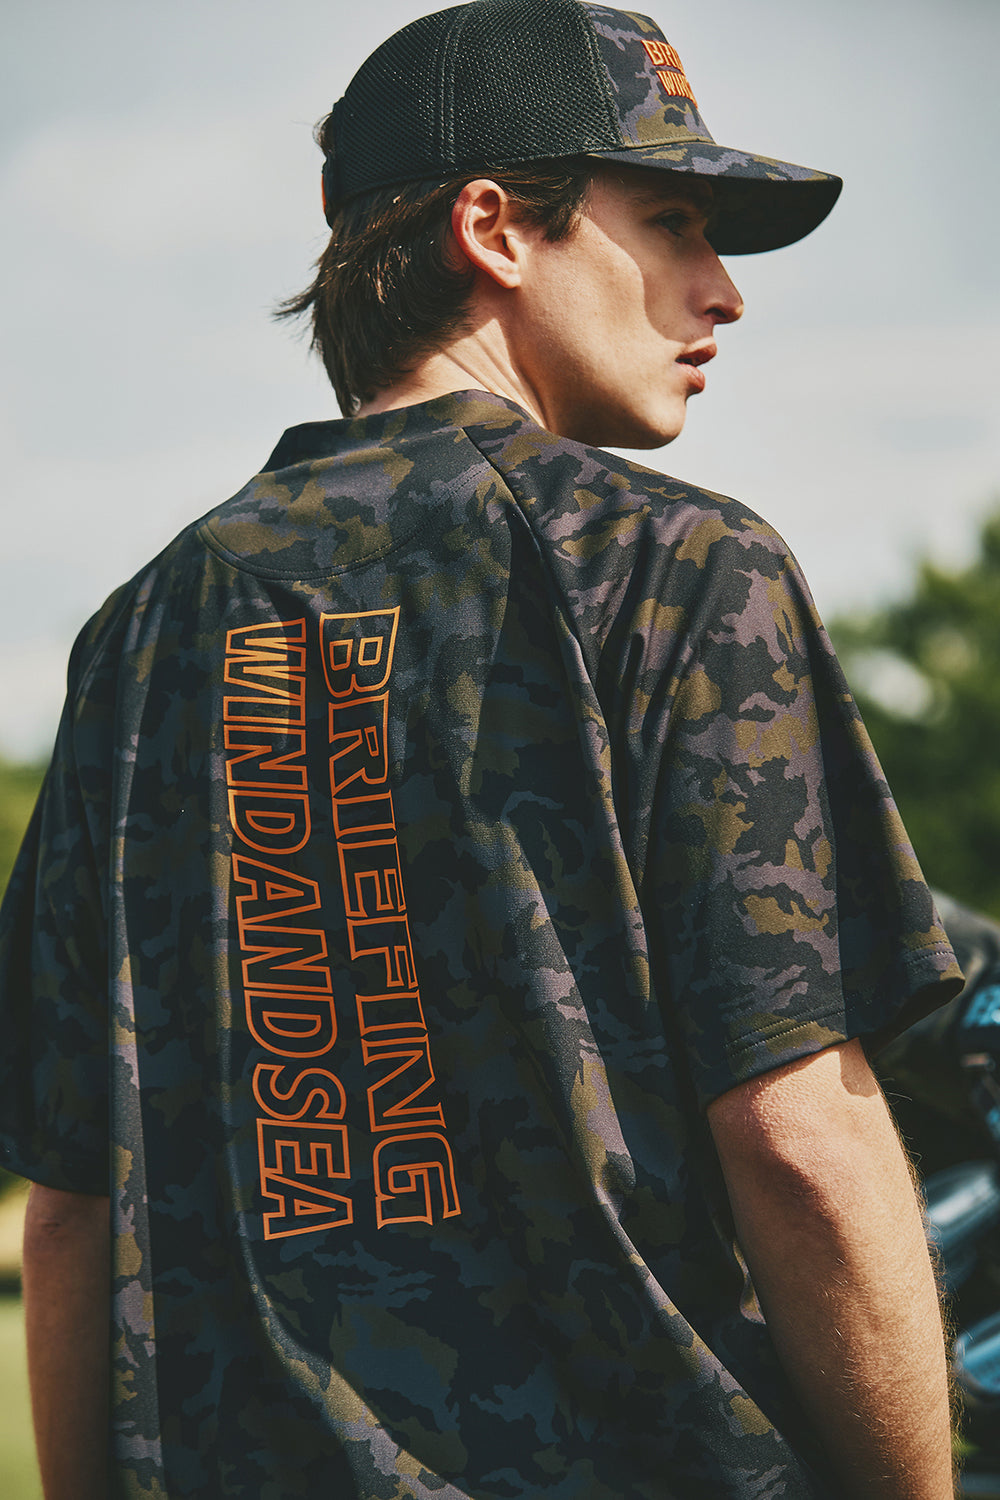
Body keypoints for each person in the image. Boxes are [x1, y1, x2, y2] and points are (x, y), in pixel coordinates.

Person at [0, 3, 964, 1496]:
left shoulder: (143, 629)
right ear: (496, 229)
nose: (722, 291)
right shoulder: (676, 570)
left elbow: (73, 1206)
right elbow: (797, 1138)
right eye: (675, 222)